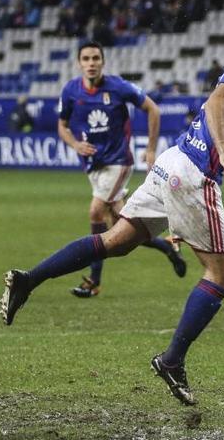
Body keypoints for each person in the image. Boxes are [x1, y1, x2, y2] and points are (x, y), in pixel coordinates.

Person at [0, 5, 224, 406]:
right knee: (222, 273)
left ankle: (28, 279)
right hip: (194, 173)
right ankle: (172, 359)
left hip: (173, 161)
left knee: (116, 240)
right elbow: (216, 101)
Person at [56, 41, 187, 298]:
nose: (91, 63)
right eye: (86, 59)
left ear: (103, 62)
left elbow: (153, 109)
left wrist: (150, 150)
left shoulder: (118, 87)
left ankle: (93, 282)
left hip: (118, 162)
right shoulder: (70, 90)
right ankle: (168, 248)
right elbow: (62, 125)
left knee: (95, 211)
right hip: (94, 166)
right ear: (79, 63)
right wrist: (75, 144)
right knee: (121, 226)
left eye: (96, 58)